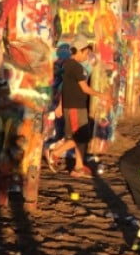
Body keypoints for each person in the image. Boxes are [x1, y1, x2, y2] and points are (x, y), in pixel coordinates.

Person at [47, 34, 111, 177]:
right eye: (86, 53)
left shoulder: (68, 65)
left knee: (80, 137)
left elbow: (65, 87)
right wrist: (101, 95)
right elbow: (85, 88)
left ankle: (78, 167)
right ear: (80, 51)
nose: (87, 56)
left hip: (74, 106)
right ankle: (55, 153)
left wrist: (59, 106)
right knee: (80, 138)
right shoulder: (76, 67)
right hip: (75, 107)